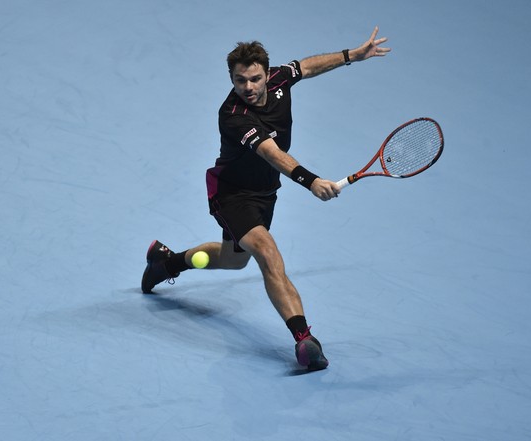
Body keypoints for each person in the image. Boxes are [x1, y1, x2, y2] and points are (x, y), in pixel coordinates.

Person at [142, 26, 391, 371]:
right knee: (267, 251)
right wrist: (311, 181)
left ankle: (166, 262)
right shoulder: (233, 116)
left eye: (255, 79)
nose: (249, 87)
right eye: (240, 80)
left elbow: (307, 66)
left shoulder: (279, 79)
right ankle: (304, 340)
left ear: (266, 73)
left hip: (265, 193)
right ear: (231, 78)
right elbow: (271, 153)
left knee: (234, 260)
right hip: (232, 194)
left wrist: (351, 56)